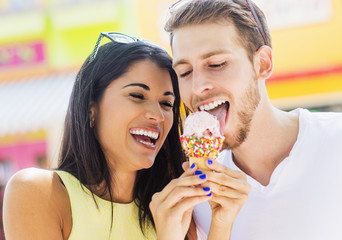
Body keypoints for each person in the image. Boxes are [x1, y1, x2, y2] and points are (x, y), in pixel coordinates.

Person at [2, 32, 232, 240]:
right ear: (92, 106)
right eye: (137, 95)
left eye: (166, 103)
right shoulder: (38, 193)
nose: (158, 115)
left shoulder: (173, 207)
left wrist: (222, 222)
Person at [165, 0, 342, 239]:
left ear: (263, 63)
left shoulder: (336, 140)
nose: (197, 87)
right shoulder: (195, 198)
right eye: (184, 72)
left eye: (217, 64)